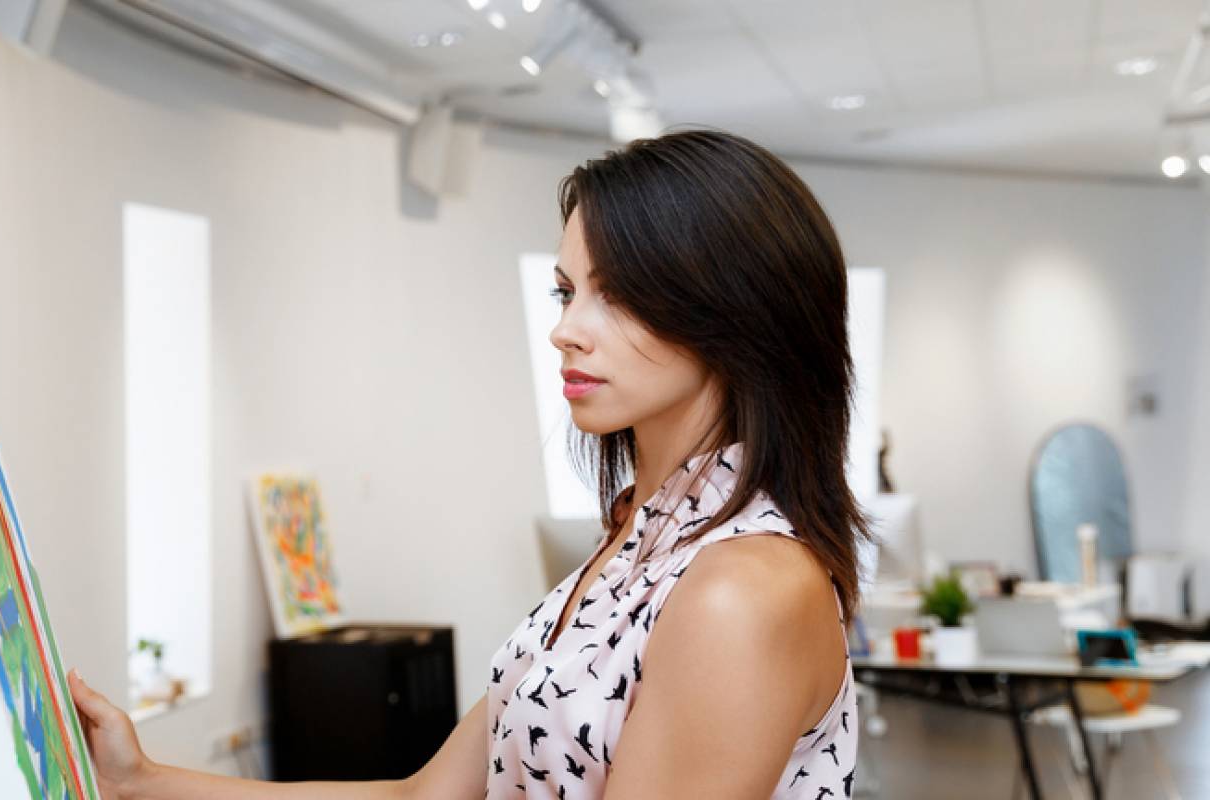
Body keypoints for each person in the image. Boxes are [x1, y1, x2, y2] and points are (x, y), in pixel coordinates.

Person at [67, 129, 867, 799]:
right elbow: (423, 797)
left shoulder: (740, 590)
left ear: (737, 313)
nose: (567, 330)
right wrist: (139, 780)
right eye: (566, 293)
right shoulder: (636, 540)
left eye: (619, 294)